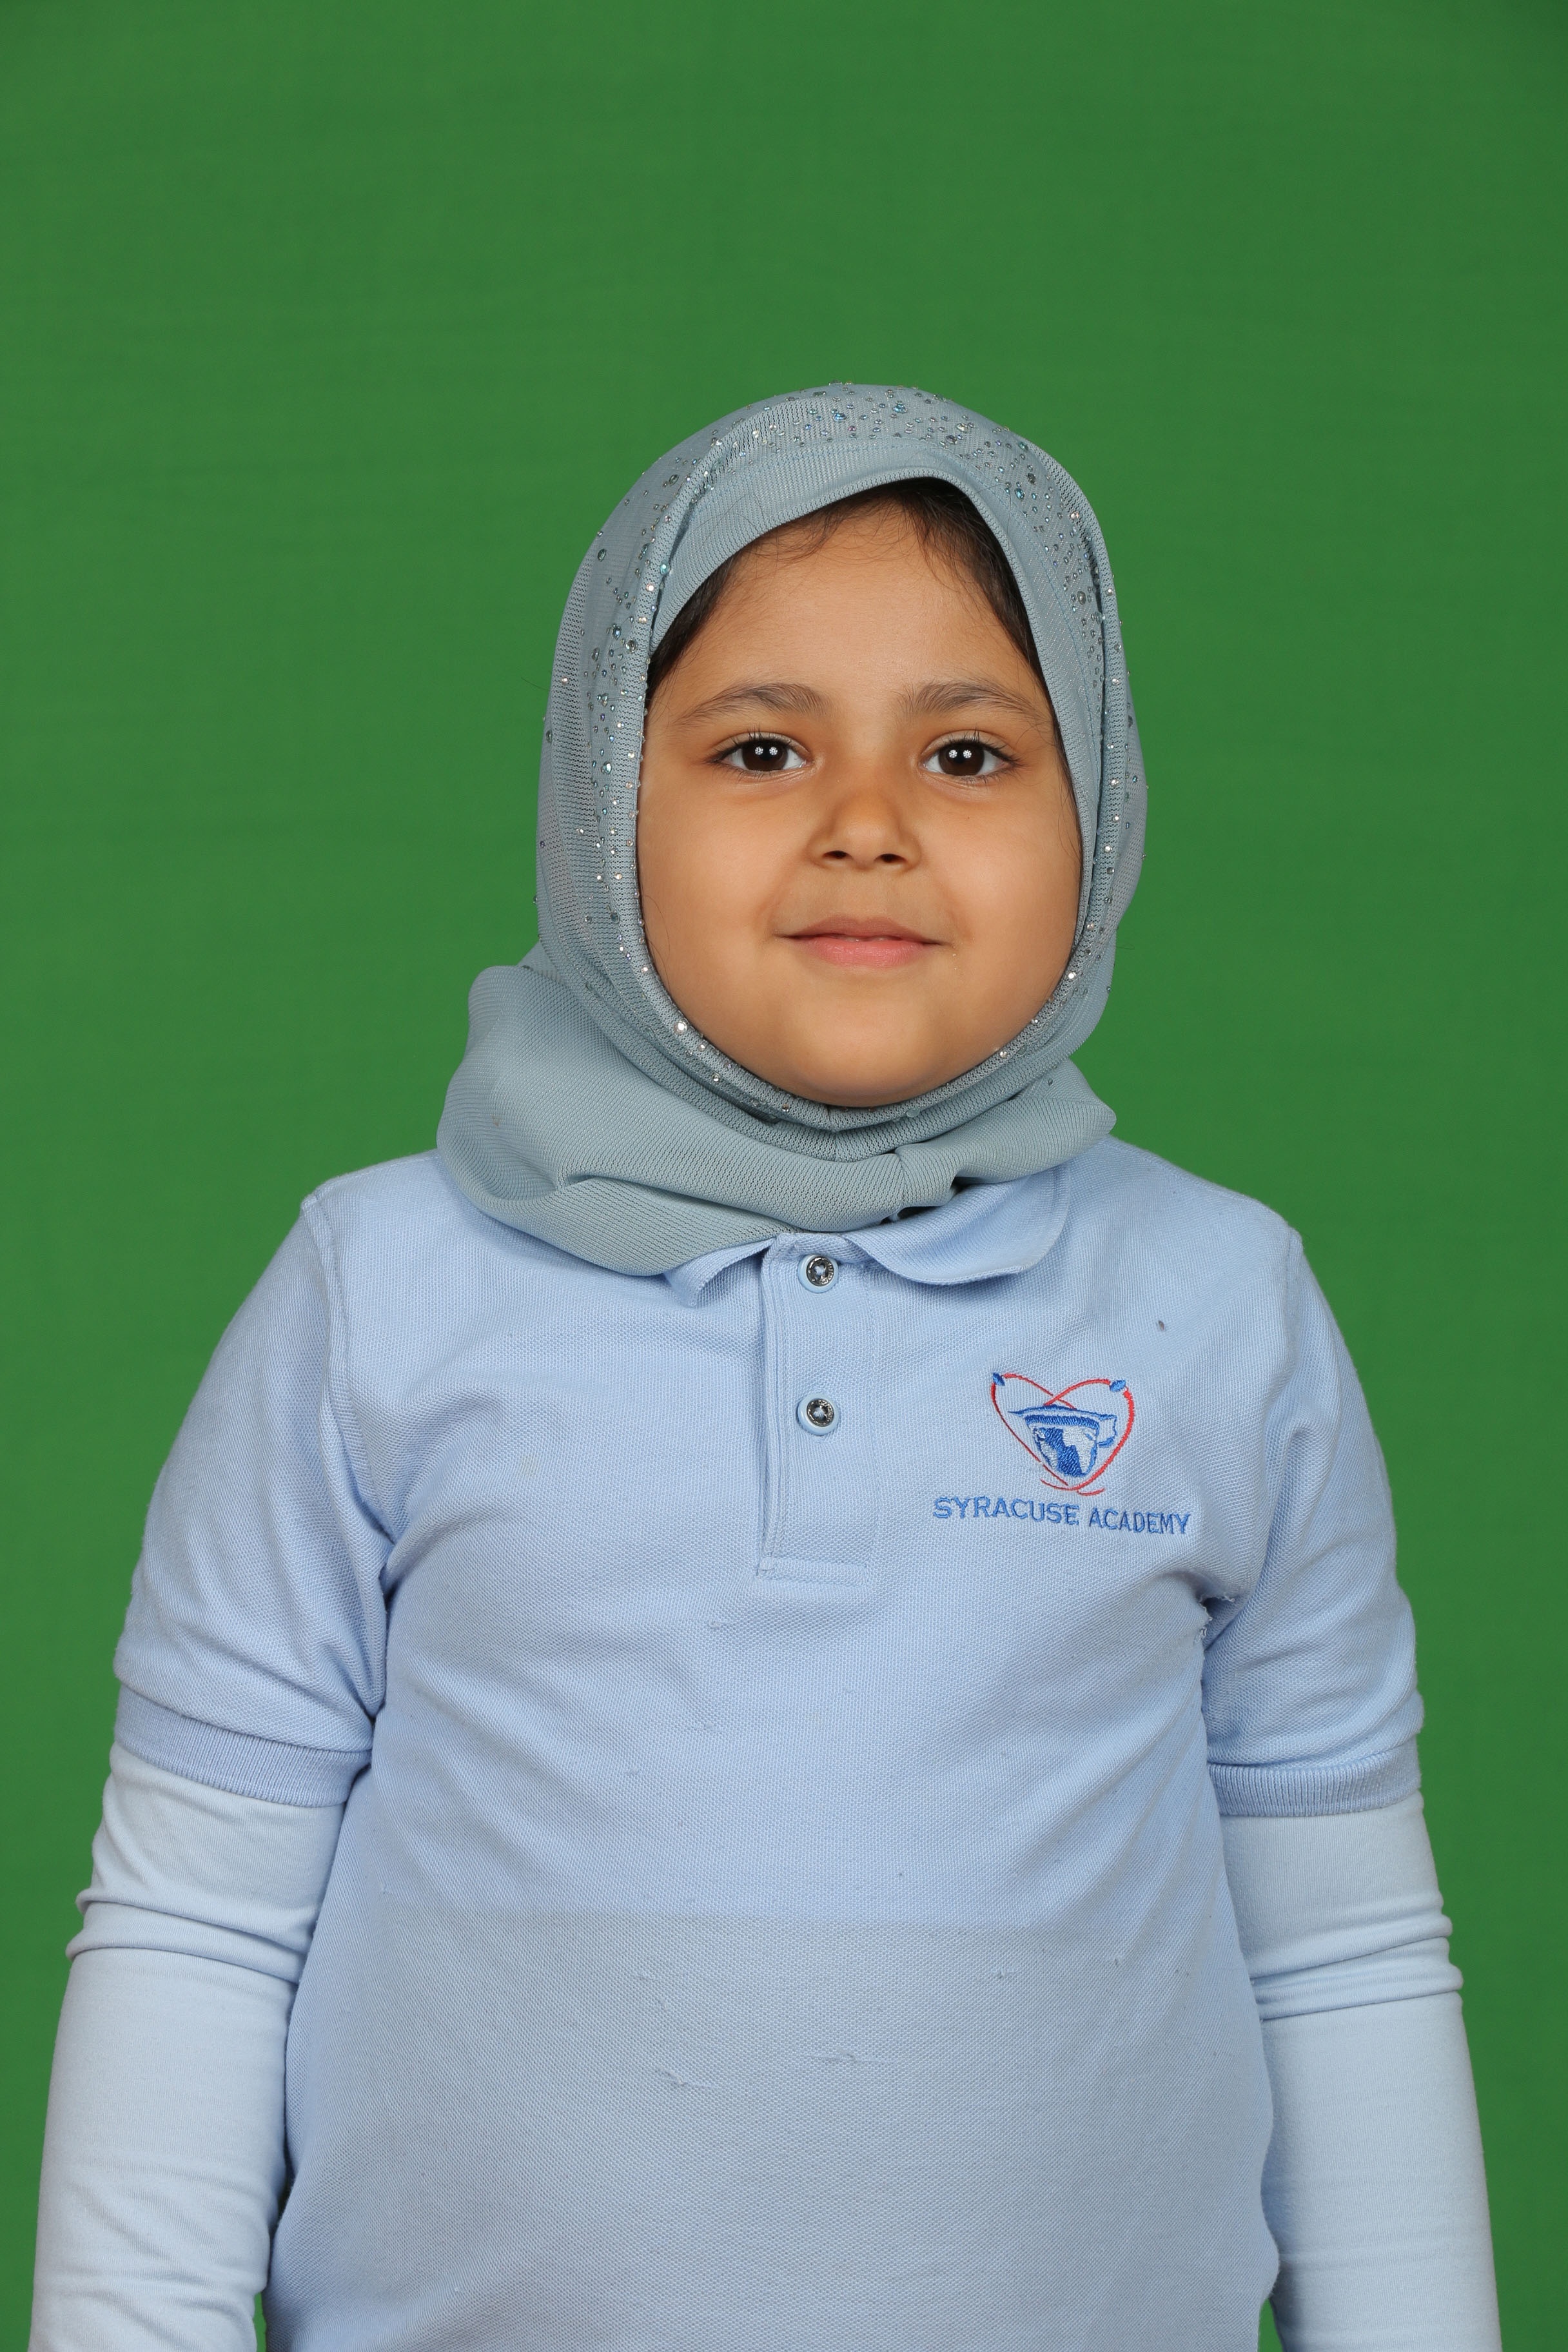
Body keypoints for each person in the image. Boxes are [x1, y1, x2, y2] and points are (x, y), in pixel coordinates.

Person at [30, 387, 1503, 2351]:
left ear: (1100, 815)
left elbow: (1342, 1956)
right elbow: (201, 1924)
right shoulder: (380, 1291)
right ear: (600, 803)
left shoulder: (1225, 1308)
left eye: (967, 752)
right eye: (760, 747)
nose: (867, 824)